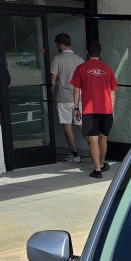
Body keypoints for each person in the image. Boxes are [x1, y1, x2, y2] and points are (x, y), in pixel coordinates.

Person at [70, 40, 118, 179]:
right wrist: (112, 112)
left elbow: (76, 91)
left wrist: (76, 108)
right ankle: (102, 163)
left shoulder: (81, 68)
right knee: (103, 138)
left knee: (93, 139)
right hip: (106, 110)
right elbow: (112, 93)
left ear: (87, 52)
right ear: (100, 53)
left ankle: (97, 169)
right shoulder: (108, 68)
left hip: (89, 110)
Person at [49, 33, 84, 164]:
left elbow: (52, 82)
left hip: (64, 98)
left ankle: (75, 155)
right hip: (78, 98)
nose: (57, 46)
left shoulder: (57, 59)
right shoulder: (80, 60)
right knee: (81, 126)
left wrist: (49, 97)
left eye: (57, 44)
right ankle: (94, 149)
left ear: (61, 44)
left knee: (67, 127)